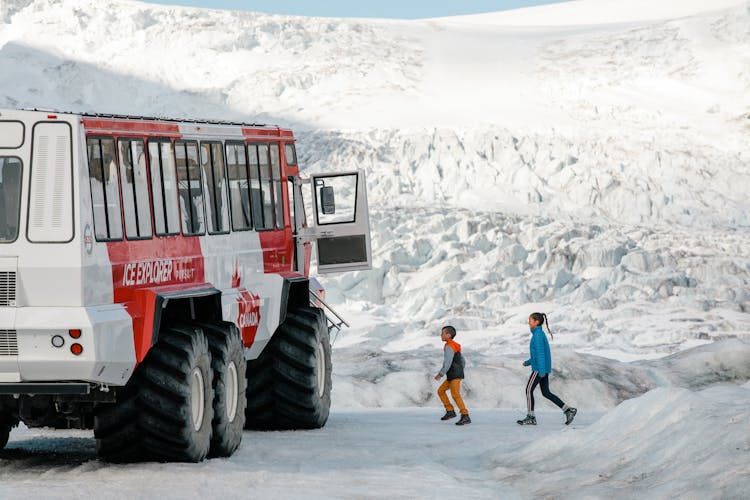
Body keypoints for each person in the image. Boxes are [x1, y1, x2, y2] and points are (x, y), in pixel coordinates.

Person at [517, 312, 577, 426]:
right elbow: (538, 354)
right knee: (546, 392)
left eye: (530, 320)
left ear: (536, 322)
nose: (528, 322)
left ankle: (531, 417)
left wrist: (542, 371)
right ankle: (568, 410)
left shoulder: (538, 335)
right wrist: (528, 362)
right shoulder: (538, 334)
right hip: (541, 368)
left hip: (539, 369)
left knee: (528, 390)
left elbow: (540, 354)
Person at [434, 326, 471, 425]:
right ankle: (450, 411)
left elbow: (448, 362)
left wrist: (441, 374)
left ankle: (465, 415)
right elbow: (462, 360)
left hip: (454, 375)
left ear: (448, 335)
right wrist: (460, 370)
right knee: (441, 391)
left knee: (455, 394)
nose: (441, 335)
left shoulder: (449, 346)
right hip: (454, 374)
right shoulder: (455, 345)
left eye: (442, 333)